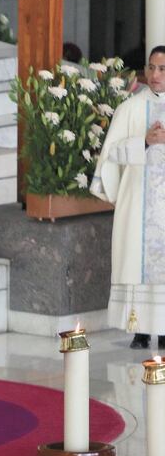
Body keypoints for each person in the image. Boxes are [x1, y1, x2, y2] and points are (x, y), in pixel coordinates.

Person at [90, 45, 165, 349]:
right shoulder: (130, 108)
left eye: (162, 69)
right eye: (151, 67)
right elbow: (111, 155)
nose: (155, 75)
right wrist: (144, 141)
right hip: (138, 202)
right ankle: (140, 329)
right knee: (135, 260)